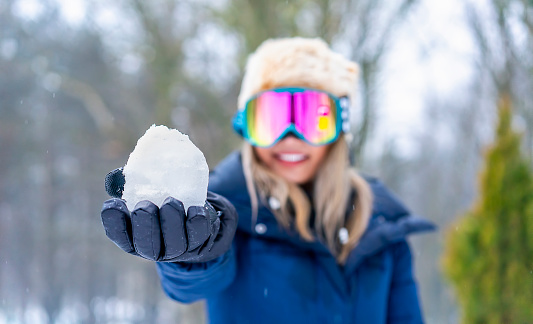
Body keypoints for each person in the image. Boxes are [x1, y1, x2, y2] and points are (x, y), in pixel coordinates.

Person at [101, 37, 436, 324]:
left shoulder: (382, 225)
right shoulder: (225, 216)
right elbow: (192, 282)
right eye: (271, 119)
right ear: (246, 127)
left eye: (312, 118)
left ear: (338, 129)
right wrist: (190, 249)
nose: (290, 138)